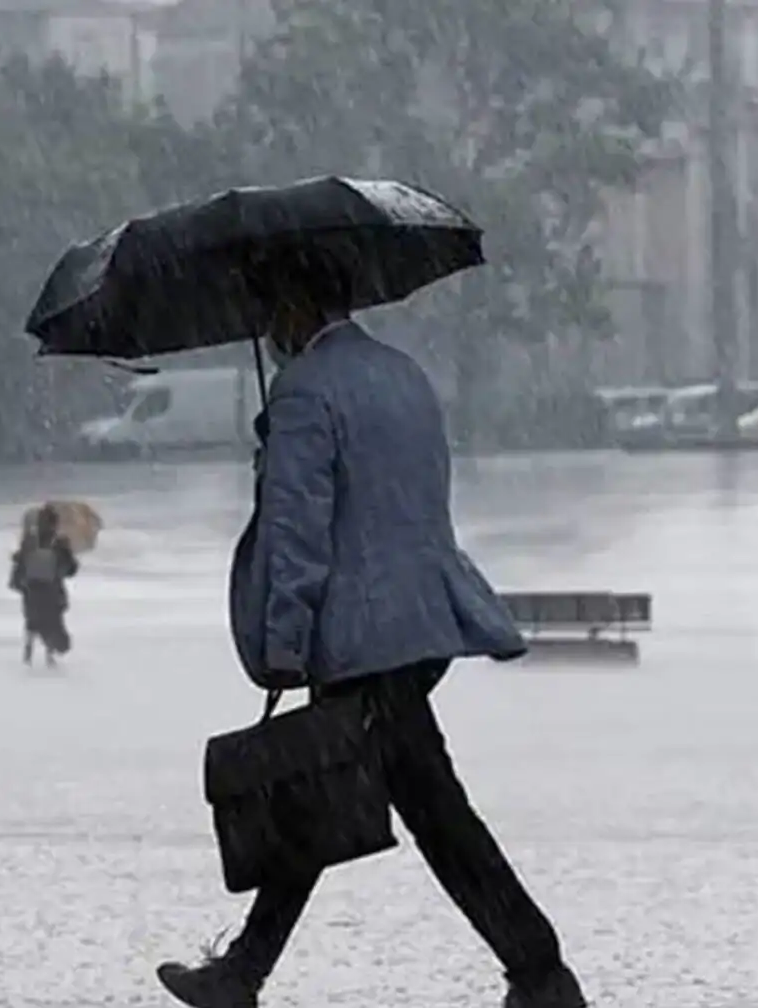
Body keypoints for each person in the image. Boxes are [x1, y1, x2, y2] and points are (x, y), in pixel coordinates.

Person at [155, 285, 586, 1008]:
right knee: (332, 790)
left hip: (358, 640)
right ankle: (243, 971)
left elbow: (297, 533)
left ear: (293, 310)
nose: (267, 331)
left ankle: (541, 973)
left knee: (419, 811)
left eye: (270, 313)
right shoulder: (402, 374)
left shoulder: (303, 395)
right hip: (418, 627)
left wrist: (283, 643)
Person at [8, 504, 79, 667]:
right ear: (56, 524)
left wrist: (17, 583)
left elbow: (19, 564)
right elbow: (71, 569)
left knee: (32, 622)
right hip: (52, 592)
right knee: (54, 624)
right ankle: (49, 655)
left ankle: (28, 655)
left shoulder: (29, 542)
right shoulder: (60, 543)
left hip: (31, 591)